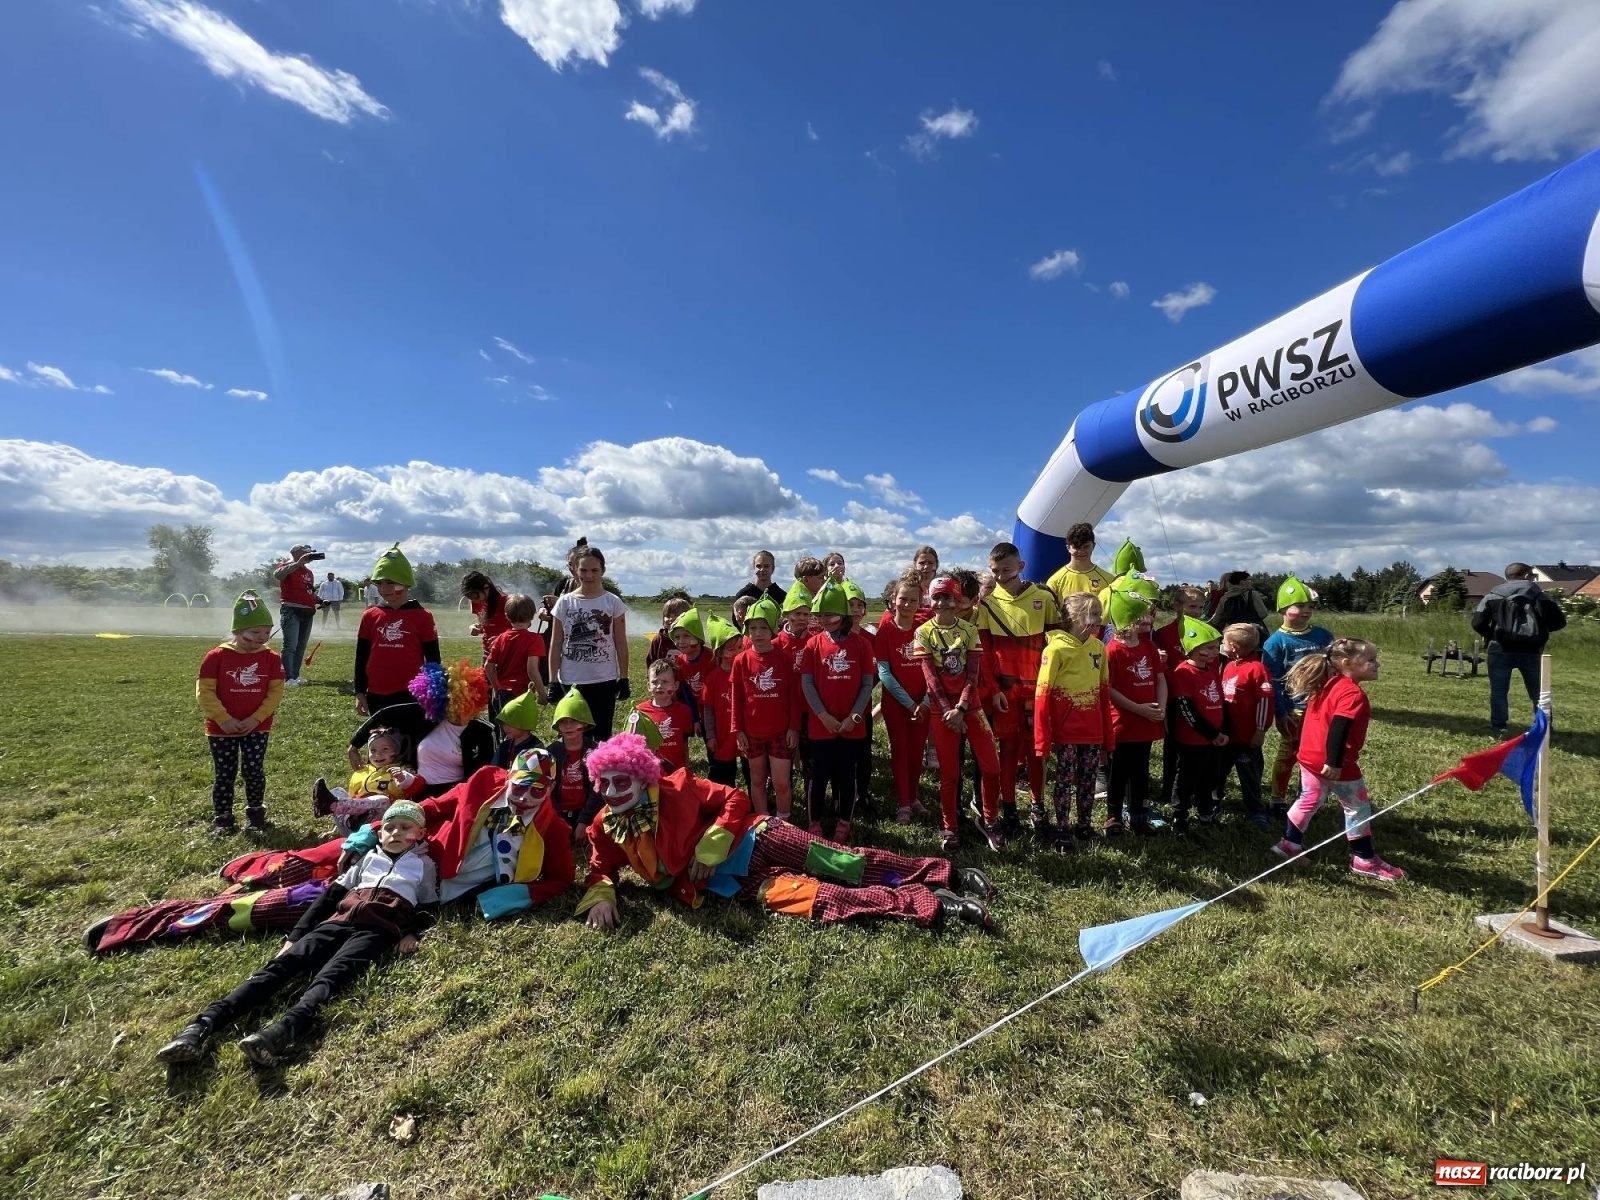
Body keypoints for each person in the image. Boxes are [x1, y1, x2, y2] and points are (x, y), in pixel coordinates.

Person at [573, 734, 995, 933]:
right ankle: (927, 902)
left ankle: (942, 872)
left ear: (642, 778)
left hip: (759, 837)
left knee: (844, 863)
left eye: (621, 782)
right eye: (603, 784)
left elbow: (735, 800)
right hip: (734, 883)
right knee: (825, 899)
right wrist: (603, 896)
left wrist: (710, 844)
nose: (611, 793)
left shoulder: (677, 787)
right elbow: (599, 868)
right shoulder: (604, 827)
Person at [156, 798, 439, 1067]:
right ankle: (202, 1025)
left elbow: (427, 904)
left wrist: (410, 933)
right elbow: (329, 898)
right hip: (337, 921)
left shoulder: (423, 865)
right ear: (380, 833)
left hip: (376, 930)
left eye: (405, 827)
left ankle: (282, 1031)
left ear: (421, 833)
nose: (396, 833)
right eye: (389, 827)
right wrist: (295, 937)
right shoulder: (366, 860)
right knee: (282, 966)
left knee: (333, 976)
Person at [1273, 639, 1406, 881]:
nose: (1378, 664)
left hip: (1309, 757)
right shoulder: (1351, 692)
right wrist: (1334, 762)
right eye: (1370, 660)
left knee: (1309, 799)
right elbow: (1339, 726)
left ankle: (1289, 844)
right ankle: (1364, 860)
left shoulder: (1327, 683)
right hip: (1334, 763)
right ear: (1347, 663)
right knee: (1357, 807)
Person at [976, 541, 1059, 835]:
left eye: (1007, 570)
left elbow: (1055, 643)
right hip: (1006, 691)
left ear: (1021, 567)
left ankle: (1038, 807)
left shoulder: (1043, 598)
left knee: (1037, 752)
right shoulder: (987, 605)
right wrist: (995, 689)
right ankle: (1009, 809)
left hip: (1038, 690)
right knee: (1008, 750)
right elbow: (984, 652)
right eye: (995, 571)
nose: (1000, 577)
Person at [916, 575, 1004, 854]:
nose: (942, 603)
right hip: (942, 712)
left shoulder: (968, 631)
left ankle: (989, 819)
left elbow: (973, 674)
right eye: (937, 597)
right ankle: (950, 826)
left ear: (957, 600)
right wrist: (948, 711)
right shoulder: (923, 632)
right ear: (930, 600)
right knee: (950, 775)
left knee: (992, 768)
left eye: (948, 597)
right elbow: (930, 677)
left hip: (971, 707)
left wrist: (962, 708)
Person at [332, 661, 494, 803]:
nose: (456, 712)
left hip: (456, 795)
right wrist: (354, 745)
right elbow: (384, 715)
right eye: (449, 705)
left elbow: (485, 774)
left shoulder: (483, 732)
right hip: (416, 790)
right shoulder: (424, 717)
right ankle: (342, 806)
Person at [198, 592, 286, 836]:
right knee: (224, 773)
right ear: (238, 630)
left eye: (266, 632)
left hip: (257, 727)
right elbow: (205, 691)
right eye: (255, 632)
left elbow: (275, 693)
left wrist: (255, 719)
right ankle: (223, 818)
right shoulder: (216, 657)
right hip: (220, 729)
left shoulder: (271, 658)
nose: (261, 638)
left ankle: (255, 814)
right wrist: (224, 719)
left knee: (253, 770)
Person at [1035, 592, 1114, 848]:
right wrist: (1043, 738)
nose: (1097, 619)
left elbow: (1104, 693)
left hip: (1092, 730)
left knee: (1088, 780)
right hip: (1066, 731)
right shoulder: (1055, 648)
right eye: (1092, 613)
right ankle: (1062, 827)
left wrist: (1107, 736)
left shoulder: (1098, 647)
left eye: (1099, 613)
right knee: (1065, 780)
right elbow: (1043, 695)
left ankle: (1084, 825)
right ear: (1073, 617)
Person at [801, 582, 875, 844]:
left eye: (829, 615)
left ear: (843, 614)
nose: (823, 621)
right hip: (822, 726)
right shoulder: (813, 645)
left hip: (852, 725)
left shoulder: (862, 645)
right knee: (818, 775)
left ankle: (845, 822)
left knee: (847, 776)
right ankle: (814, 822)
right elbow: (807, 683)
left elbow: (867, 684)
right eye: (819, 616)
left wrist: (855, 717)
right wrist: (823, 715)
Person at [1262, 577, 1334, 821]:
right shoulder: (1275, 642)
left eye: (1309, 607)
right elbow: (1273, 680)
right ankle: (1277, 799)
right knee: (1289, 753)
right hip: (1296, 710)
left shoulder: (1323, 636)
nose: (1305, 611)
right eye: (1299, 606)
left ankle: (1311, 797)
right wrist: (1280, 712)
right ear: (1283, 609)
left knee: (1318, 755)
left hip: (1322, 709)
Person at [1471, 562, 1567, 737]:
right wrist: (1538, 633)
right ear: (1525, 576)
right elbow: (1559, 622)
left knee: (1499, 690)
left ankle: (1499, 726)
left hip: (1500, 647)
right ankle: (1544, 727)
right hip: (1532, 650)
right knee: (1538, 692)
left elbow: (1477, 623)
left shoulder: (1493, 595)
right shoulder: (1540, 596)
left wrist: (1493, 634)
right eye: (1532, 575)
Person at [547, 545, 630, 737]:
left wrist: (623, 678)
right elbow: (556, 643)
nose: (589, 575)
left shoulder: (613, 602)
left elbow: (620, 643)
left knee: (601, 735)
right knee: (571, 735)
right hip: (571, 680)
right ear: (575, 570)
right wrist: (552, 680)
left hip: (604, 679)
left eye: (594, 570)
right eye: (583, 570)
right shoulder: (564, 602)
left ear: (603, 570)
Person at [729, 597, 800, 818]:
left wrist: (794, 728)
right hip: (752, 734)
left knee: (781, 783)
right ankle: (762, 822)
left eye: (763, 628)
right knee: (756, 780)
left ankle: (783, 819)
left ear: (773, 629)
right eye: (752, 628)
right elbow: (736, 698)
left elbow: (794, 697)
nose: (758, 633)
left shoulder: (785, 659)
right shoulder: (740, 661)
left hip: (780, 733)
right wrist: (737, 729)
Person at [1104, 590, 1165, 835]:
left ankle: (1138, 816)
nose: (1148, 618)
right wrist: (1138, 708)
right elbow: (1108, 689)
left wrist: (1159, 706)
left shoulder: (1149, 646)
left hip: (1147, 721)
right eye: (1141, 614)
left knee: (1141, 771)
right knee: (1118, 772)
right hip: (1123, 722)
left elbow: (1160, 678)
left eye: (1149, 613)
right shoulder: (1112, 650)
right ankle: (1113, 816)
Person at [355, 544, 440, 716]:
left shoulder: (423, 616)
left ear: (406, 583)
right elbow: (361, 656)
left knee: (409, 740)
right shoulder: (370, 615)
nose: (384, 589)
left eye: (391, 583)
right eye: (379, 583)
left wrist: (435, 692)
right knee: (382, 740)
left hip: (411, 693)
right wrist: (360, 691)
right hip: (376, 693)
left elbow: (433, 659)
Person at [875, 571, 930, 826]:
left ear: (920, 602)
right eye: (902, 599)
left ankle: (915, 796)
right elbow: (884, 671)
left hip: (923, 703)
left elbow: (934, 668)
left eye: (912, 600)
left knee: (916, 752)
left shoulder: (924, 628)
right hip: (897, 703)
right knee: (900, 750)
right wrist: (909, 703)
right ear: (892, 599)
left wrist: (926, 702)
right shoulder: (885, 628)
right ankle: (903, 803)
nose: (907, 605)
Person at [1169, 617, 1229, 833]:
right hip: (1193, 740)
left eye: (1217, 647)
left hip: (1213, 740)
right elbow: (1186, 710)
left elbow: (1220, 701)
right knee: (1187, 778)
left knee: (1209, 777)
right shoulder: (1184, 672)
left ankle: (1205, 810)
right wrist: (1211, 733)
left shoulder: (1211, 669)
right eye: (1210, 647)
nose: (1216, 651)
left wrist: (1222, 730)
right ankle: (1180, 815)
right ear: (1194, 648)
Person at [1219, 623, 1274, 827]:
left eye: (1223, 642)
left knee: (1249, 774)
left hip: (1246, 737)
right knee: (1219, 771)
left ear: (1233, 646)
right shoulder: (1229, 665)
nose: (1221, 646)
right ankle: (1215, 801)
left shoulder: (1257, 669)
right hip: (1226, 735)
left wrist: (1260, 730)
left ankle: (1256, 809)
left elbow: (1265, 701)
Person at [324, 726, 425, 835]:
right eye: (373, 750)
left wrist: (403, 778)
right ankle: (345, 821)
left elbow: (417, 788)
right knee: (336, 792)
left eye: (385, 749)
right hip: (354, 824)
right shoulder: (360, 773)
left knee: (383, 800)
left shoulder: (399, 771)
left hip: (384, 822)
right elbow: (352, 800)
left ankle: (337, 808)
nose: (378, 754)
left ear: (396, 751)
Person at [548, 689, 603, 842]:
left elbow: (597, 789)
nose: (568, 726)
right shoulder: (550, 753)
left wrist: (585, 820)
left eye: (573, 721)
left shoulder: (595, 751)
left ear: (584, 724)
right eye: (563, 722)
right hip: (558, 814)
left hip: (586, 812)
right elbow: (548, 790)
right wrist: (558, 820)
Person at [484, 594, 548, 718]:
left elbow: (488, 666)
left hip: (500, 695)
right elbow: (532, 669)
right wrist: (542, 694)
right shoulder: (535, 639)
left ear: (507, 616)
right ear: (533, 615)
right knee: (519, 734)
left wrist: (497, 688)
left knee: (503, 734)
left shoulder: (500, 638)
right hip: (519, 697)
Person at [701, 617, 745, 788]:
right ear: (719, 653)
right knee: (724, 774)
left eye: (740, 647)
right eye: (731, 649)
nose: (736, 652)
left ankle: (754, 803)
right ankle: (725, 803)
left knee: (751, 770)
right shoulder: (712, 679)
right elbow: (708, 710)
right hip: (723, 734)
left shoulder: (747, 673)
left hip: (745, 734)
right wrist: (710, 736)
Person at [272, 545, 323, 687]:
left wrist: (320, 601)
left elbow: (309, 592)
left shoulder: (309, 573)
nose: (310, 556)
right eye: (307, 553)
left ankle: (295, 675)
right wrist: (298, 564)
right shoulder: (287, 566)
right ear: (297, 553)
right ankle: (287, 677)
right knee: (290, 646)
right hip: (291, 611)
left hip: (307, 612)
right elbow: (277, 575)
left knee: (301, 646)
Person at [636, 659, 695, 774]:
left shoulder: (684, 711)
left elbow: (684, 743)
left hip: (676, 771)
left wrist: (686, 769)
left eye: (665, 681)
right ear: (648, 686)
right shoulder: (640, 711)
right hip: (650, 772)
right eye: (654, 682)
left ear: (676, 685)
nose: (659, 686)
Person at [1045, 523, 1113, 609]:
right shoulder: (1054, 581)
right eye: (1077, 547)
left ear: (1094, 546)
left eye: (1086, 547)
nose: (1081, 551)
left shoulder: (1109, 580)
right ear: (1068, 548)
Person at [1207, 571, 1270, 645]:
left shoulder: (1225, 597)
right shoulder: (1252, 594)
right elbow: (1263, 613)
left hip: (1232, 635)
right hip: (1252, 634)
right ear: (1242, 582)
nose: (1250, 582)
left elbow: (1217, 620)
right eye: (1248, 580)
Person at [462, 571, 511, 662]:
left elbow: (522, 627)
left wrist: (502, 639)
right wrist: (473, 627)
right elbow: (486, 626)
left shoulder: (506, 602)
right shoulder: (476, 603)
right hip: (488, 651)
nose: (474, 601)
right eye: (470, 598)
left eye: (475, 596)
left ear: (486, 588)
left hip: (507, 651)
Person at [493, 691, 545, 769]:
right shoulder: (503, 746)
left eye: (510, 724)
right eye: (503, 723)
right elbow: (494, 770)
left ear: (524, 723)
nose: (505, 728)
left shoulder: (535, 748)